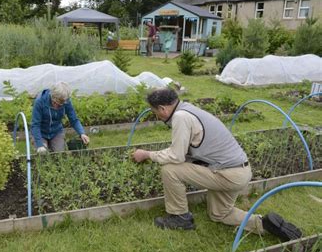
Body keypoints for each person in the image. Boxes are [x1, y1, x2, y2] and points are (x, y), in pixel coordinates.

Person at [132, 88, 302, 242]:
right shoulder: (188, 109)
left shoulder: (180, 117)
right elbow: (183, 152)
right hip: (239, 171)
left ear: (163, 108)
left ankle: (179, 218)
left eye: (155, 112)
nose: (157, 116)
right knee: (219, 214)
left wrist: (147, 154)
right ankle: (264, 225)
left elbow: (176, 156)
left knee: (170, 169)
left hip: (226, 173)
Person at [32, 82, 90, 154]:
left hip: (56, 132)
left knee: (60, 154)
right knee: (42, 154)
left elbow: (74, 120)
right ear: (52, 96)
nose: (58, 105)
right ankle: (43, 145)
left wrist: (82, 133)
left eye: (61, 103)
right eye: (57, 102)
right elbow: (35, 125)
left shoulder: (66, 101)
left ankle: (51, 145)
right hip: (41, 133)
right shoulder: (40, 101)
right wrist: (39, 144)